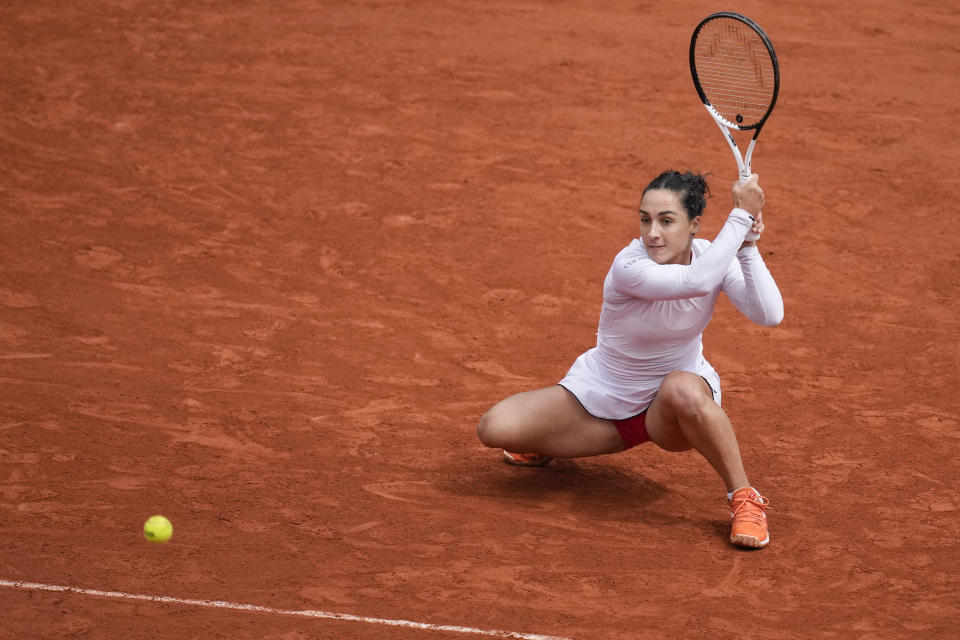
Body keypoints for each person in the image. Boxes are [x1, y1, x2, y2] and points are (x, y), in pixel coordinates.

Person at [476, 170, 783, 549]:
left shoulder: (711, 259)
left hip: (671, 411)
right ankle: (559, 440)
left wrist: (748, 244)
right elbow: (694, 283)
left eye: (666, 221)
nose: (652, 232)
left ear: (694, 225)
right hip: (601, 398)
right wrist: (740, 217)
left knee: (681, 387)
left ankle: (745, 498)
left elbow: (769, 314)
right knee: (493, 428)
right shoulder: (629, 266)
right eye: (645, 219)